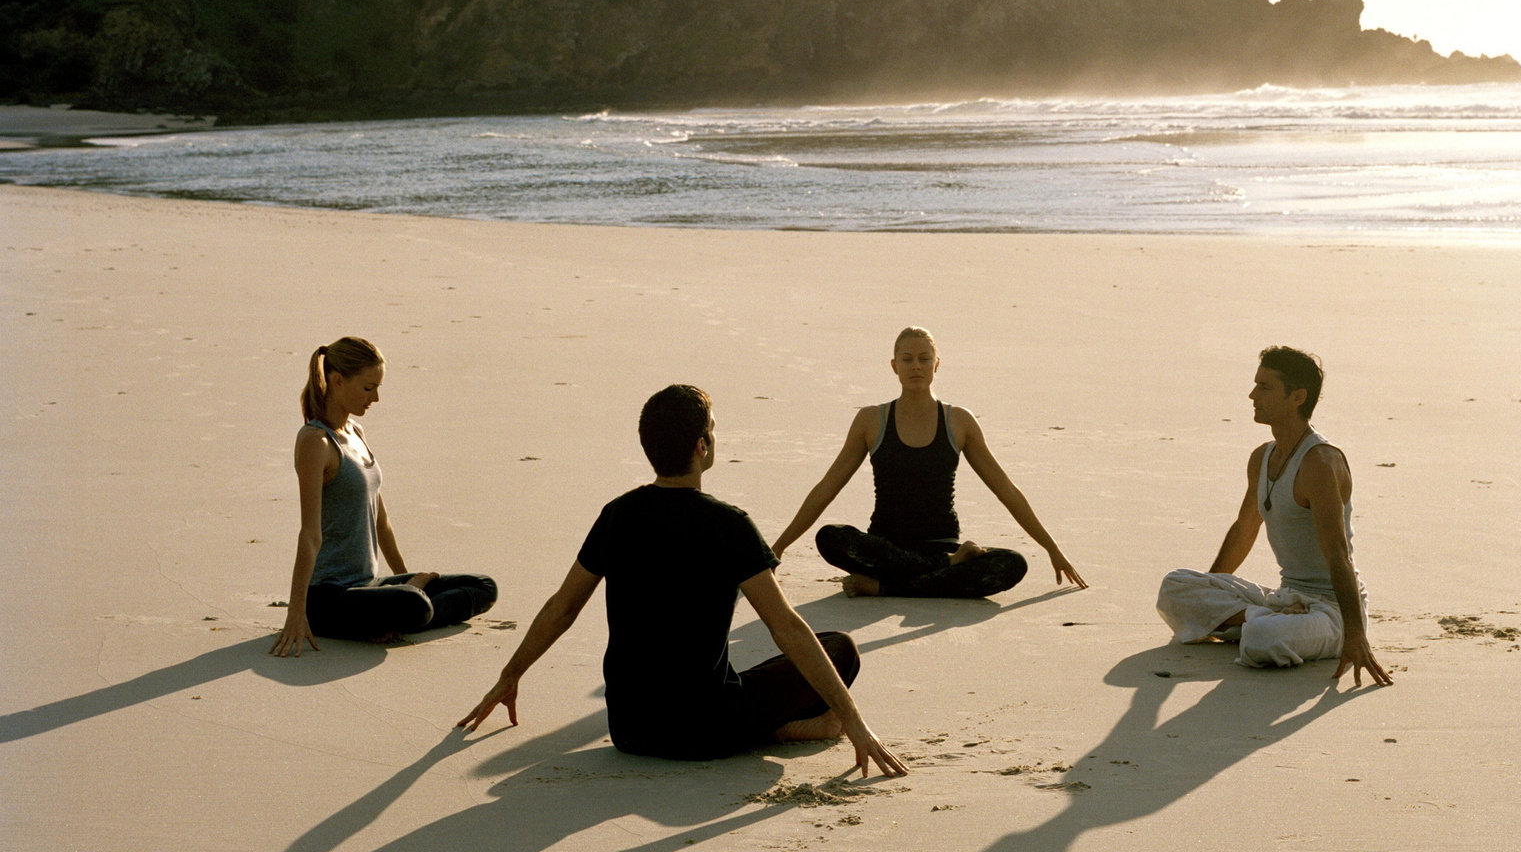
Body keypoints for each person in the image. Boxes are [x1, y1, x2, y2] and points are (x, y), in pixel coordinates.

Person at [457, 384, 908, 774]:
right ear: (701, 446)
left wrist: (509, 675)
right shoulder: (729, 524)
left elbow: (562, 608)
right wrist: (853, 719)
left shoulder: (618, 516)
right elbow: (785, 626)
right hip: (707, 730)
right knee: (840, 649)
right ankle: (797, 727)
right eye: (711, 428)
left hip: (631, 729)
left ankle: (787, 725)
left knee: (744, 681)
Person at [771, 325, 1086, 600]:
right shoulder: (871, 420)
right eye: (907, 359)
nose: (916, 366)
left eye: (924, 359)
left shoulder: (958, 421)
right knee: (830, 537)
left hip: (940, 545)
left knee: (1013, 563)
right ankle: (941, 573)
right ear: (894, 366)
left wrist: (1051, 547)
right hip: (885, 548)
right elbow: (827, 487)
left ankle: (886, 588)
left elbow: (1006, 489)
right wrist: (779, 547)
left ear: (937, 364)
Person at [1156, 346, 1390, 685]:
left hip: (1330, 610)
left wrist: (1356, 635)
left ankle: (1259, 624)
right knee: (1174, 586)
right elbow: (1244, 529)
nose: (1252, 395)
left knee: (1263, 639)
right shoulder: (1261, 458)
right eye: (1255, 385)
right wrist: (1213, 597)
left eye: (1265, 387)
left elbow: (1338, 553)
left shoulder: (1321, 463)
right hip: (1283, 600)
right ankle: (1257, 618)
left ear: (1296, 397)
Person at [270, 338, 497, 656]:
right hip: (327, 598)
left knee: (483, 586)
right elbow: (309, 534)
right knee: (412, 604)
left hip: (369, 587)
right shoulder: (315, 443)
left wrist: (405, 578)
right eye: (368, 387)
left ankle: (398, 613)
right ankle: (405, 610)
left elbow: (381, 520)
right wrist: (296, 613)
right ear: (338, 381)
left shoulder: (356, 432)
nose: (376, 397)